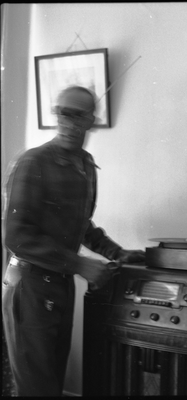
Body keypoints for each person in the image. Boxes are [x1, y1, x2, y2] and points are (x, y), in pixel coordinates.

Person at [2, 85, 145, 397]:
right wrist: (82, 264)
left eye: (77, 116)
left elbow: (81, 225)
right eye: (61, 114)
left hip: (60, 284)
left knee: (51, 382)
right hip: (30, 284)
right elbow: (16, 235)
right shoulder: (32, 162)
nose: (67, 122)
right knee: (36, 389)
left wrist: (117, 252)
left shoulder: (85, 164)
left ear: (90, 121)